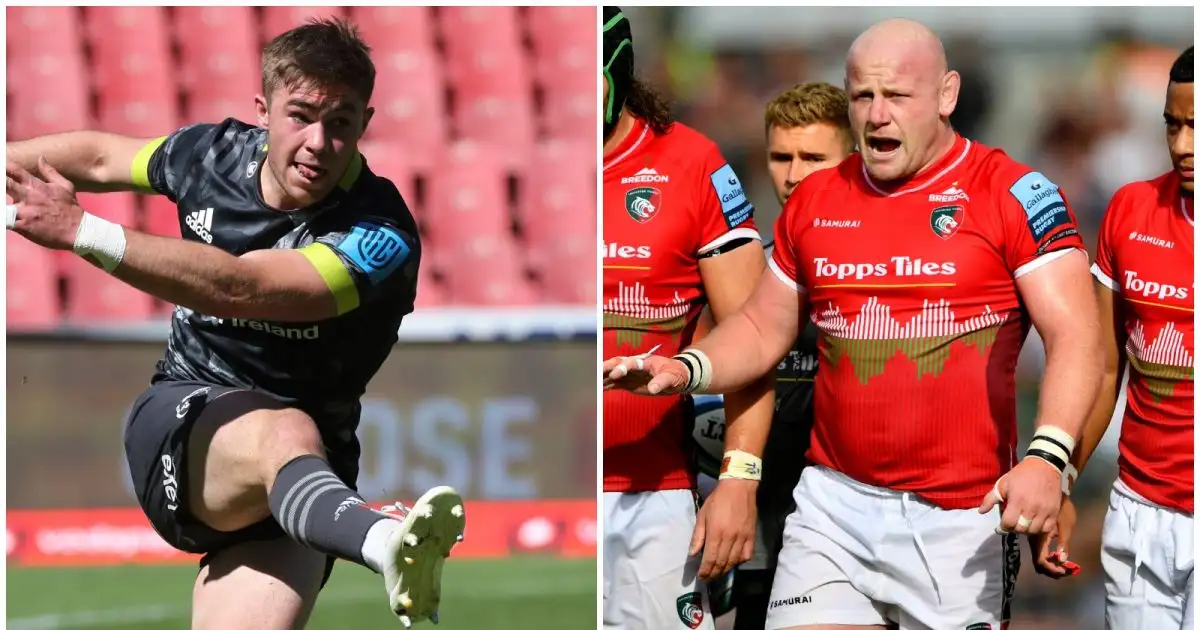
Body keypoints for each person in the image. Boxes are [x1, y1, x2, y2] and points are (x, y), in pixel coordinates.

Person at [606, 18, 1104, 630]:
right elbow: (762, 327)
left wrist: (1048, 459)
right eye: (863, 95)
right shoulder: (817, 201)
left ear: (946, 95)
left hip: (960, 517)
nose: (877, 114)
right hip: (833, 508)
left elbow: (1077, 336)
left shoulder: (1016, 194)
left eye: (897, 95)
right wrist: (686, 367)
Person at [5, 19, 463, 629]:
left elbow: (243, 287)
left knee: (292, 440)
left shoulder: (380, 233)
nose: (318, 143)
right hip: (187, 423)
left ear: (365, 125)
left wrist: (83, 232)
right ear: (263, 111)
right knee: (285, 428)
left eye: (341, 124)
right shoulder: (210, 154)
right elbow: (96, 155)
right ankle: (383, 541)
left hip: (302, 489)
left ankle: (365, 528)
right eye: (300, 116)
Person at [601, 6, 776, 629]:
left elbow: (754, 341)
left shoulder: (691, 165)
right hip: (541, 488)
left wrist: (738, 481)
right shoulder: (521, 165)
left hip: (653, 495)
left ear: (615, 69)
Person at [691, 82, 855, 630]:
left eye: (814, 157)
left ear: (852, 160)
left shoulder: (885, 274)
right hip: (759, 527)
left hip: (861, 522)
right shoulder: (741, 274)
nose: (794, 174)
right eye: (781, 157)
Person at [1041, 44, 1193, 629]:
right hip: (1139, 512)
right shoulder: (1131, 210)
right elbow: (1106, 369)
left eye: (1196, 127)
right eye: (1172, 125)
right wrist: (1065, 481)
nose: (1182, 145)